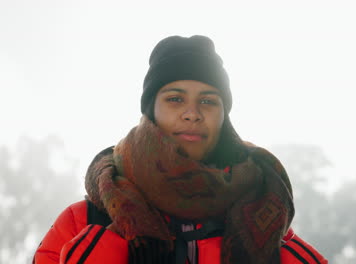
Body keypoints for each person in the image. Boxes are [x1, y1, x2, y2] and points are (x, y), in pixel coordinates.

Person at [33, 35, 328, 264]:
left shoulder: (268, 223)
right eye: (175, 99)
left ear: (223, 117)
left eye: (208, 101)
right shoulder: (82, 221)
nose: (192, 113)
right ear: (151, 113)